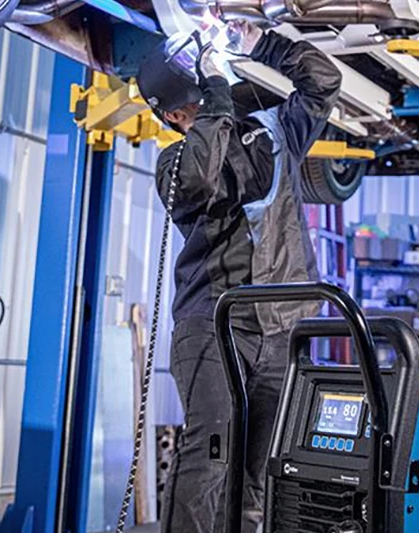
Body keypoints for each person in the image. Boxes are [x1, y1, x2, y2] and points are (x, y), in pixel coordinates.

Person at [136, 19, 342, 533]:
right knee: (210, 451)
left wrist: (263, 44)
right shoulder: (175, 162)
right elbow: (203, 175)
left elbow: (323, 81)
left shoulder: (274, 135)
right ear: (175, 114)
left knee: (266, 468)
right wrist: (219, 96)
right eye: (200, 100)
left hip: (282, 332)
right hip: (213, 327)